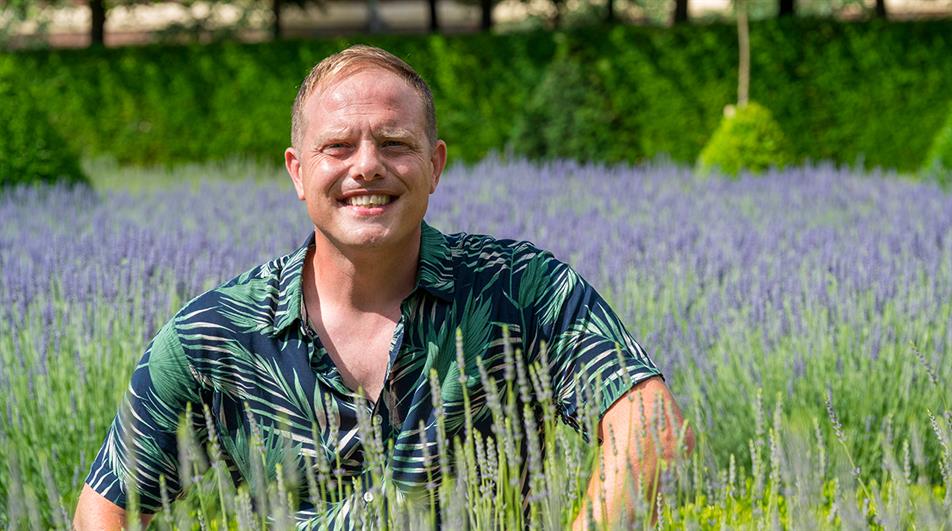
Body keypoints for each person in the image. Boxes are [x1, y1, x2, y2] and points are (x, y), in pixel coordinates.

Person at [74, 45, 694, 530]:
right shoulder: (216, 336)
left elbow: (652, 430)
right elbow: (104, 508)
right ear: (297, 171)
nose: (366, 166)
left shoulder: (521, 292)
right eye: (337, 147)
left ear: (435, 165)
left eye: (395, 144)